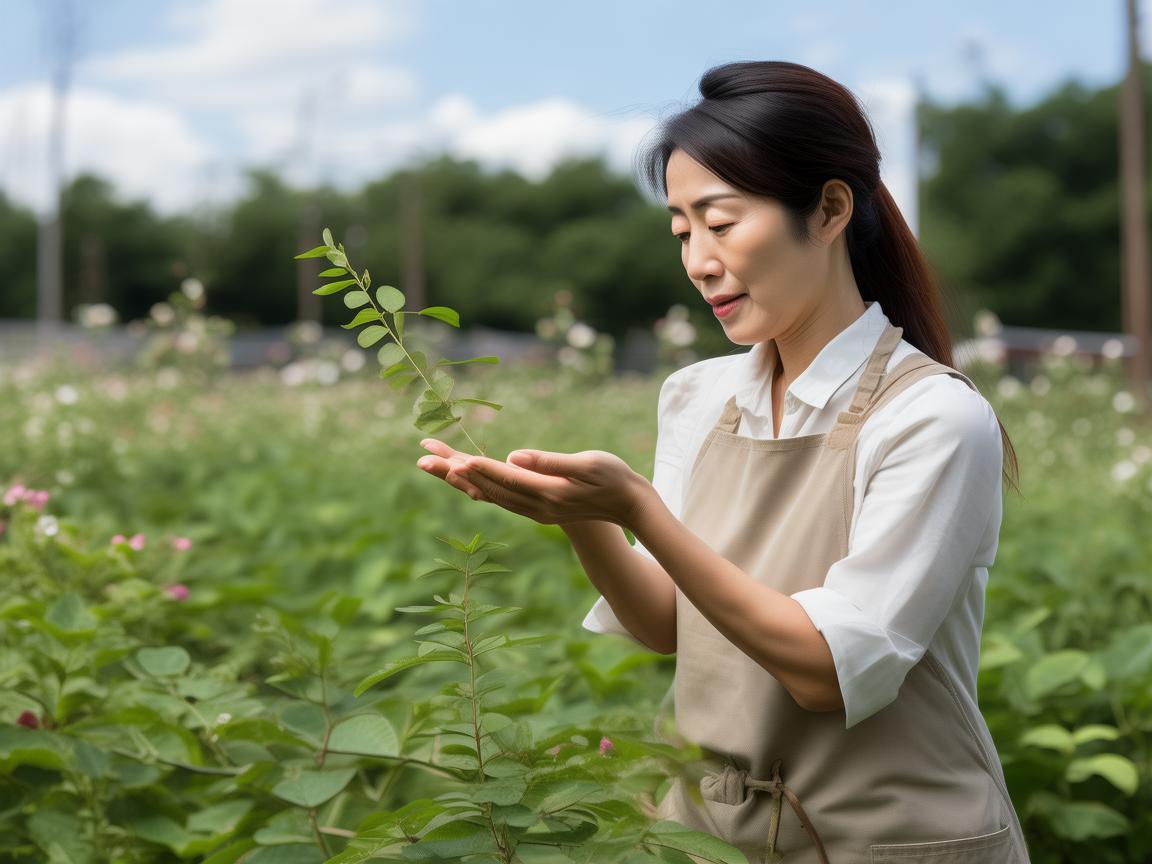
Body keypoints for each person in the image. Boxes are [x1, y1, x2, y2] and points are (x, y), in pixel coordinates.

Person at [416, 60, 1029, 864]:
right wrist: (590, 523)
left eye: (722, 221)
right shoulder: (697, 397)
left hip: (893, 838)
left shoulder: (933, 417)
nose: (699, 260)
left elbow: (827, 671)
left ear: (831, 208)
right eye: (681, 230)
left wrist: (639, 511)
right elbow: (669, 624)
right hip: (712, 839)